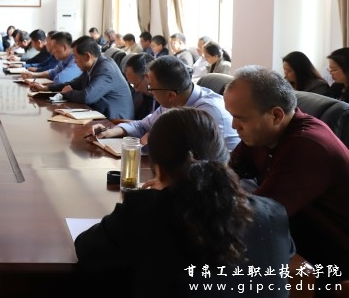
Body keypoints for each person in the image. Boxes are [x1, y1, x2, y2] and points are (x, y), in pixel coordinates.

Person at [75, 108, 294, 297]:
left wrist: (156, 197)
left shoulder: (145, 209)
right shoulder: (273, 213)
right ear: (225, 159)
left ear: (158, 168)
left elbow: (87, 250)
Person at [226, 66, 349, 272]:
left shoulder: (307, 145)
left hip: (331, 259)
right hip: (295, 239)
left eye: (241, 118)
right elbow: (228, 172)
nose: (233, 125)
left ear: (276, 115)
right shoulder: (262, 132)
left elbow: (258, 217)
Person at [89, 55, 238, 149]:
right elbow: (142, 125)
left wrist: (156, 138)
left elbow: (197, 155)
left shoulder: (209, 112)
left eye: (152, 88)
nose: (150, 92)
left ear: (171, 95)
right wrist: (111, 132)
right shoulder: (172, 102)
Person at [53, 36, 134, 119]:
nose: (74, 61)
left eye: (76, 57)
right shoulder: (91, 67)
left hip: (115, 122)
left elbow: (87, 97)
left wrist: (68, 93)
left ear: (87, 56)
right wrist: (48, 88)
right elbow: (74, 84)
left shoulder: (106, 69)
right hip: (100, 114)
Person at [122, 53, 157, 120]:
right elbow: (141, 121)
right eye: (132, 85)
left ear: (148, 77)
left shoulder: (165, 96)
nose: (136, 90)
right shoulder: (146, 95)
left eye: (136, 85)